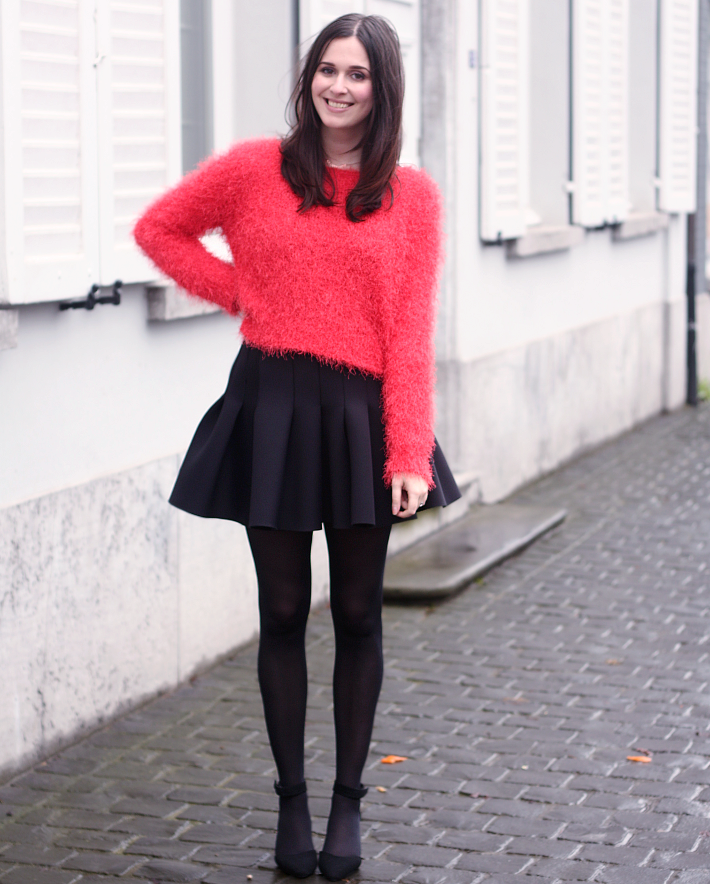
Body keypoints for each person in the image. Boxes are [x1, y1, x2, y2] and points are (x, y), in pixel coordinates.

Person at [133, 13, 460, 880]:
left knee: (357, 614)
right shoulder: (253, 169)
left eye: (358, 74)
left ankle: (348, 802)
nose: (338, 87)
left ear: (382, 90)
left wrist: (407, 452)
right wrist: (240, 290)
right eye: (327, 69)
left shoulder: (413, 197)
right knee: (281, 612)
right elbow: (160, 229)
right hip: (271, 405)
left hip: (361, 417)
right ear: (308, 76)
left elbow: (411, 334)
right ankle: (292, 801)